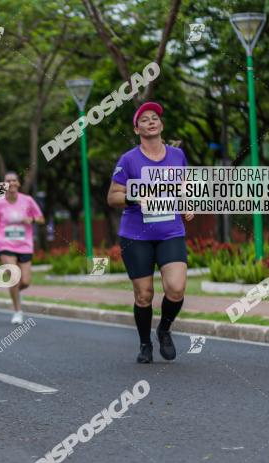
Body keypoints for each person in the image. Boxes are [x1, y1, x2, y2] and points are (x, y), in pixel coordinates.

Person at [106, 102, 194, 363]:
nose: (151, 122)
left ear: (161, 125)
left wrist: (188, 202)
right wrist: (135, 198)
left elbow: (185, 186)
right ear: (137, 129)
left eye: (154, 118)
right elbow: (112, 197)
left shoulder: (177, 156)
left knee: (176, 288)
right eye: (144, 120)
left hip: (170, 231)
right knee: (144, 295)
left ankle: (164, 329)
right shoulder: (128, 160)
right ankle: (145, 344)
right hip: (136, 235)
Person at [0, 171, 44, 324]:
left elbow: (42, 219)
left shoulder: (28, 200)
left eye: (14, 180)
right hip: (5, 244)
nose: (12, 183)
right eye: (8, 181)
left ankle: (14, 291)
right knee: (14, 276)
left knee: (26, 281)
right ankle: (18, 311)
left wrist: (32, 219)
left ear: (18, 184)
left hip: (24, 245)